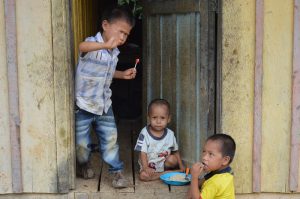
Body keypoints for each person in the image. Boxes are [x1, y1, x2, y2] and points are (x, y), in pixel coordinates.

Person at [75, 6, 136, 188]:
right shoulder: (92, 44)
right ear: (105, 25)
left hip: (104, 105)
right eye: (121, 32)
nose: (123, 38)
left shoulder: (114, 53)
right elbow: (81, 47)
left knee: (110, 140)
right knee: (82, 145)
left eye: (126, 35)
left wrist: (122, 74)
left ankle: (116, 172)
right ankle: (83, 164)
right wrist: (103, 45)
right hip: (83, 105)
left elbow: (107, 73)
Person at [134, 99, 185, 181]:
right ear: (149, 118)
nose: (158, 121)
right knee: (143, 176)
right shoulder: (144, 133)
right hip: (149, 166)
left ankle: (161, 174)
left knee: (173, 159)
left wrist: (181, 165)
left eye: (162, 118)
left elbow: (175, 151)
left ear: (168, 119)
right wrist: (146, 167)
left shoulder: (170, 134)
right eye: (154, 117)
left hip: (164, 163)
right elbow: (143, 153)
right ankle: (168, 174)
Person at [188, 134, 236, 199]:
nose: (204, 157)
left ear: (225, 160)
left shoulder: (215, 182)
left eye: (211, 154)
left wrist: (194, 177)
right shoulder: (226, 172)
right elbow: (200, 183)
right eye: (204, 152)